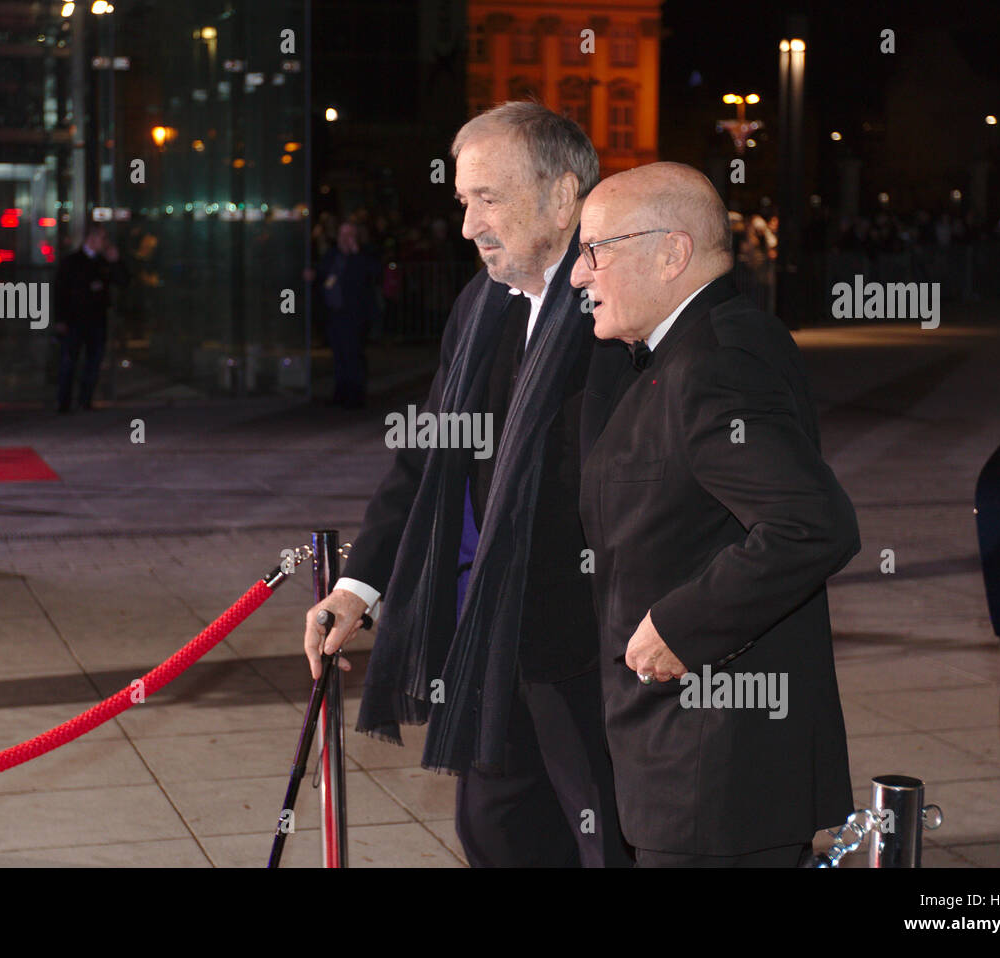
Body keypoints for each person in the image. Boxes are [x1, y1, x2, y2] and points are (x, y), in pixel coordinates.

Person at [302, 102, 632, 867]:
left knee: (607, 836)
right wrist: (359, 586)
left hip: (589, 644)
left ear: (562, 196)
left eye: (488, 199)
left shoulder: (620, 304)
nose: (467, 225)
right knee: (497, 831)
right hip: (489, 627)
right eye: (463, 202)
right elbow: (428, 455)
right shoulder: (480, 305)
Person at [569, 162, 861, 867]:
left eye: (595, 250)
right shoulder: (696, 347)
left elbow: (810, 523)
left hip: (715, 771)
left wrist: (679, 625)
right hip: (693, 760)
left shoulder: (715, 363)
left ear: (671, 253)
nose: (580, 275)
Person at [54, 220, 129, 412]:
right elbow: (60, 292)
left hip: (97, 320)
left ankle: (85, 400)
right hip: (75, 320)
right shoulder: (71, 262)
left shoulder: (103, 262)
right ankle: (64, 402)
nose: (105, 242)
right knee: (69, 361)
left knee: (93, 362)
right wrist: (60, 319)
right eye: (102, 238)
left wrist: (116, 262)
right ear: (92, 238)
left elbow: (123, 281)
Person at [314, 222, 379, 407]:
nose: (345, 239)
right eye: (342, 234)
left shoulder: (364, 254)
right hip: (334, 313)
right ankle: (341, 392)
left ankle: (355, 394)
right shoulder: (333, 254)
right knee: (339, 354)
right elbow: (322, 274)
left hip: (355, 314)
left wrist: (356, 252)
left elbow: (374, 273)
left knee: (353, 354)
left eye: (349, 235)